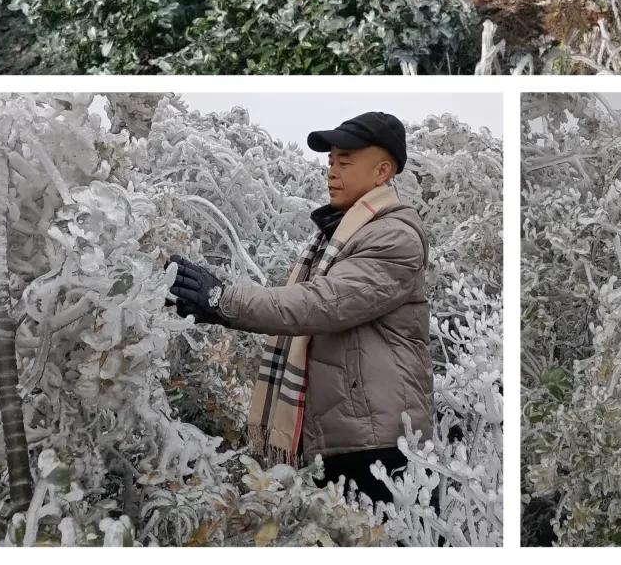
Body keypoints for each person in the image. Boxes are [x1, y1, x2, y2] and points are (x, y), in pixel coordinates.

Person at [166, 111, 434, 511]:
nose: (331, 171)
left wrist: (224, 299)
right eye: (330, 161)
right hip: (345, 440)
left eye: (345, 161)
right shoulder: (339, 236)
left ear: (382, 172)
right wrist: (214, 308)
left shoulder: (394, 237)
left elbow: (319, 304)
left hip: (381, 447)